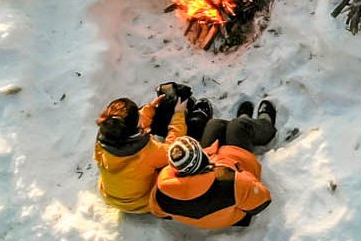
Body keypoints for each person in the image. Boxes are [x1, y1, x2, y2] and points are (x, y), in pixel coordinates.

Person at [148, 99, 281, 231]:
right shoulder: (230, 180)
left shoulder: (162, 190)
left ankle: (242, 121)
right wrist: (241, 175)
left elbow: (159, 212)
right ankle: (264, 124)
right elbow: (262, 199)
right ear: (202, 157)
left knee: (215, 125)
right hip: (235, 163)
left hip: (212, 163)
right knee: (239, 126)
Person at [93, 82, 199, 214]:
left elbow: (129, 126)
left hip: (110, 196)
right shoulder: (146, 151)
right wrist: (179, 114)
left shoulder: (103, 141)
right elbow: (173, 148)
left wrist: (151, 107)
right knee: (179, 159)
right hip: (141, 202)